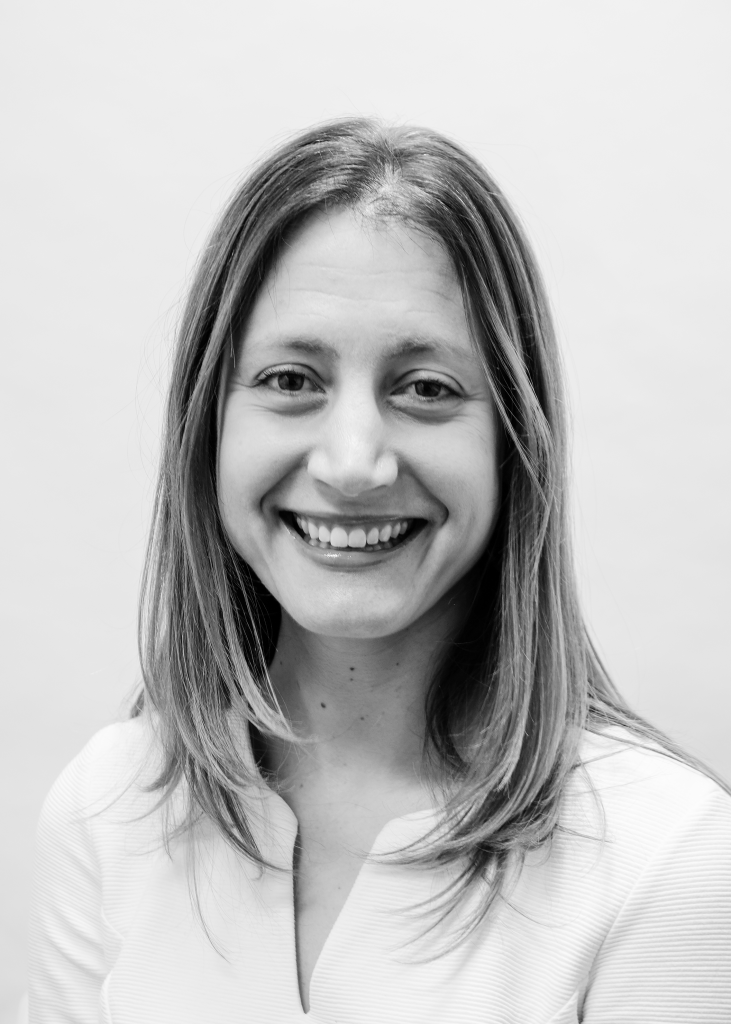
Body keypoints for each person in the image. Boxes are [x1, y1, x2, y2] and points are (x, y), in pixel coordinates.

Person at [28, 118, 731, 1023]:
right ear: (208, 422)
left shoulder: (666, 856)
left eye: (425, 388)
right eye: (291, 380)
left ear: (515, 443)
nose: (352, 462)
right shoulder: (109, 806)